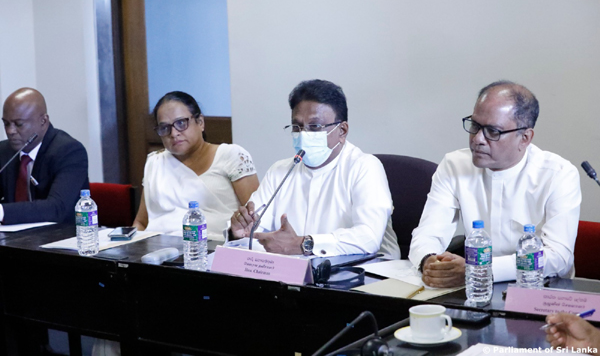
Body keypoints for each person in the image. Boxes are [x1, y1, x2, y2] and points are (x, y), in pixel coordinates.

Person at [408, 80, 581, 287]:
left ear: (525, 138)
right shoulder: (454, 165)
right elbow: (428, 233)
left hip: (540, 288)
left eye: (493, 131)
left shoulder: (559, 174)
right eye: (475, 126)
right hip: (474, 288)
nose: (477, 139)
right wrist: (429, 261)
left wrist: (479, 269)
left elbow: (558, 257)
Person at [229, 79, 400, 258]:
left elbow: (368, 237)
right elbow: (257, 232)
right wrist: (241, 232)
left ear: (342, 130)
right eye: (297, 127)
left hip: (365, 270)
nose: (304, 135)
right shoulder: (279, 171)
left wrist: (303, 244)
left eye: (315, 127)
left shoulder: (365, 167)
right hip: (295, 271)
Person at [133, 91, 259, 239]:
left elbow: (257, 218)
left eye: (181, 123)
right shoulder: (155, 162)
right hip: (157, 249)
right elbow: (141, 222)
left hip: (216, 246)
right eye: (164, 128)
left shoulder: (230, 156)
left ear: (200, 122)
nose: (173, 133)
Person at [0, 87, 89, 224]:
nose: (10, 131)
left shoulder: (69, 151)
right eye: (6, 124)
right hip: (12, 234)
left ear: (43, 121)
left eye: (19, 124)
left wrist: (2, 211)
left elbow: (57, 208)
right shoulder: (4, 150)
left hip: (59, 234)